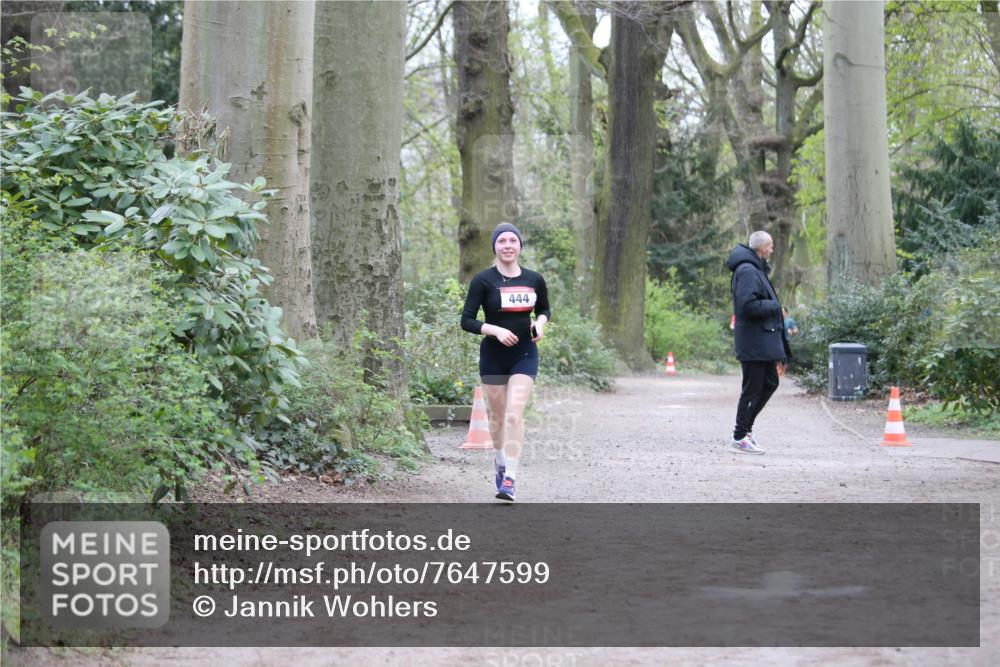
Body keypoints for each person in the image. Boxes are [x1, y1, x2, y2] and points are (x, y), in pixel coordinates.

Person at [461, 223, 550, 501]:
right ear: (495, 247)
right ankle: (500, 462)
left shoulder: (534, 279)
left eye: (513, 240)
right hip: (493, 357)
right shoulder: (483, 280)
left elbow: (544, 309)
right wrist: (495, 330)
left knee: (513, 414)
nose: (508, 245)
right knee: (498, 418)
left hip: (524, 354)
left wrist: (541, 324)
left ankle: (510, 478)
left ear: (520, 246)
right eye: (502, 241)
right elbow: (467, 320)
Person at [725, 231, 790, 455]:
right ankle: (739, 436)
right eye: (770, 247)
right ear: (762, 248)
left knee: (770, 383)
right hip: (753, 342)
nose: (772, 250)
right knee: (752, 389)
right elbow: (747, 306)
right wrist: (775, 306)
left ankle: (746, 431)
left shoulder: (756, 269)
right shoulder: (747, 270)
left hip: (761, 341)